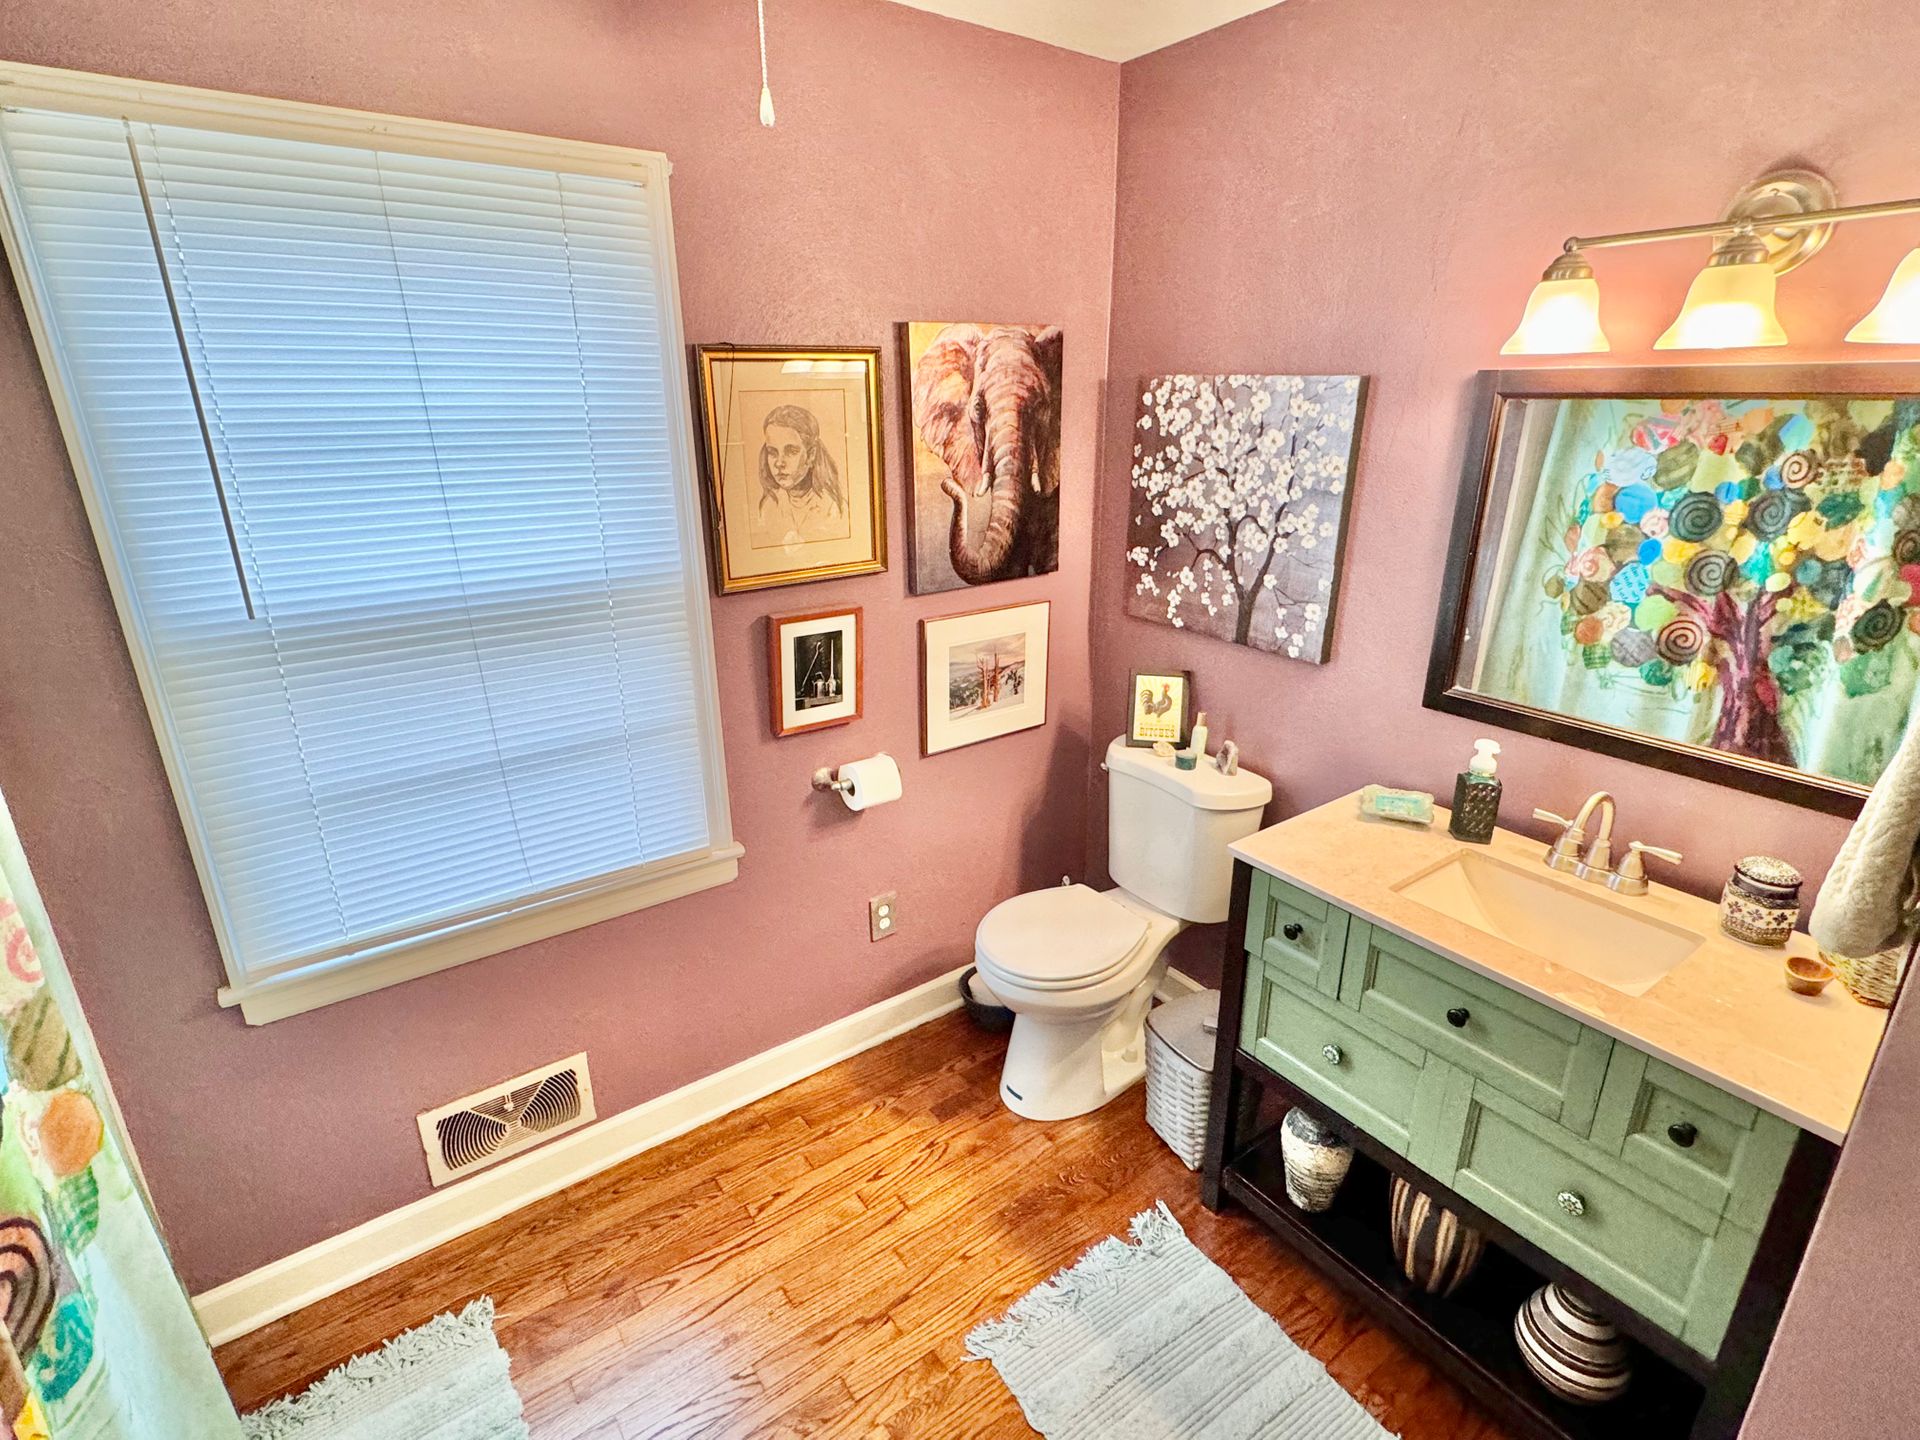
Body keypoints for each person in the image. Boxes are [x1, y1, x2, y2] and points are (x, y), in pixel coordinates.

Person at [753, 404, 847, 547]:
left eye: (791, 452)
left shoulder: (833, 508)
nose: (779, 463)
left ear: (811, 455)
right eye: (772, 452)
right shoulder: (768, 508)